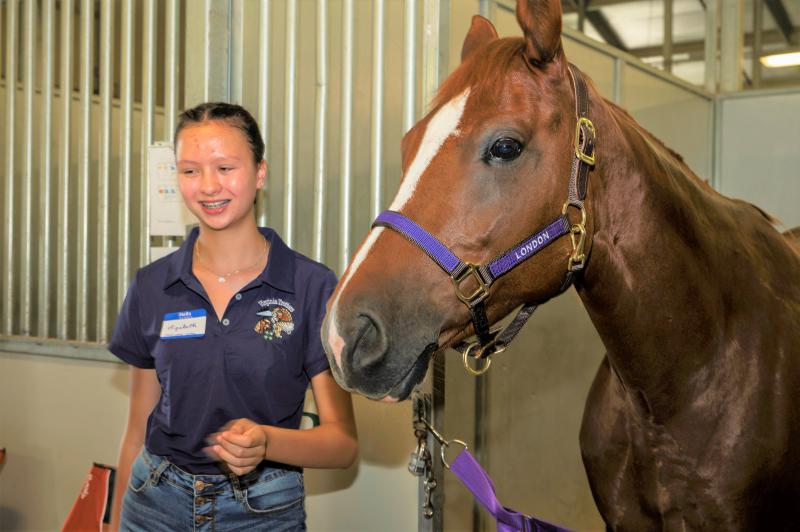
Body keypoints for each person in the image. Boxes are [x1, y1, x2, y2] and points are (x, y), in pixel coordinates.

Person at [107, 102, 357, 531]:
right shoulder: (152, 285)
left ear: (260, 172)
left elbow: (342, 445)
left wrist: (267, 442)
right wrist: (111, 524)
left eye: (225, 167)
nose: (208, 186)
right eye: (190, 171)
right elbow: (136, 432)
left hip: (261, 510)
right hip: (154, 505)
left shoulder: (310, 285)